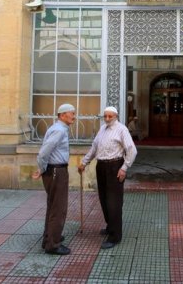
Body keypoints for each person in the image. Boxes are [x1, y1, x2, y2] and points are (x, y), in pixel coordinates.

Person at [77, 106, 137, 249]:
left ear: (116, 116)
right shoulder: (102, 129)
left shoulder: (122, 129)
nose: (108, 119)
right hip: (101, 166)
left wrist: (124, 168)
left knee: (113, 202)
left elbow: (132, 150)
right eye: (105, 116)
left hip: (115, 166)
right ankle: (110, 226)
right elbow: (94, 148)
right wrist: (84, 162)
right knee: (103, 198)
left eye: (110, 116)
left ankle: (115, 236)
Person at [32, 103, 76, 255]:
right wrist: (42, 168)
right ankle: (53, 244)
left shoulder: (57, 128)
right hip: (57, 171)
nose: (74, 116)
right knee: (58, 209)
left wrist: (43, 169)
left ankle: (49, 238)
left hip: (54, 170)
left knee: (52, 206)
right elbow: (44, 152)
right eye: (72, 113)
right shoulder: (59, 130)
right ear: (62, 115)